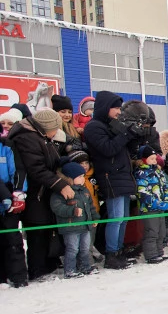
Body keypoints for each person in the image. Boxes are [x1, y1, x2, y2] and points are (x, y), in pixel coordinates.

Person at [8, 108, 76, 279]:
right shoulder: (26, 138)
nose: (56, 133)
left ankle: (46, 265)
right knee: (37, 230)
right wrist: (60, 184)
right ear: (46, 127)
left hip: (42, 191)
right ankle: (37, 270)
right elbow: (36, 169)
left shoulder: (40, 136)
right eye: (55, 129)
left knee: (45, 229)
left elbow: (48, 161)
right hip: (33, 193)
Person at [82, 91, 142, 269]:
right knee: (116, 218)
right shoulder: (94, 127)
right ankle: (111, 253)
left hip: (122, 175)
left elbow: (127, 150)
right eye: (115, 108)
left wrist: (134, 135)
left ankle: (119, 250)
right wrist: (125, 134)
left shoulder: (112, 126)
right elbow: (108, 149)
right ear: (105, 108)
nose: (118, 112)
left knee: (123, 218)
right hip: (110, 176)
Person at [50, 161, 99, 278]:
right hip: (71, 227)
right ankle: (70, 270)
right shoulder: (62, 192)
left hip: (85, 226)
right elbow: (57, 207)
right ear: (70, 178)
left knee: (85, 248)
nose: (83, 179)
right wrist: (72, 211)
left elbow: (91, 206)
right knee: (72, 249)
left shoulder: (84, 191)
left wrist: (95, 218)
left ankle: (85, 267)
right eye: (80, 176)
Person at [133, 146, 168, 264]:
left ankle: (159, 251)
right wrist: (155, 203)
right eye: (151, 159)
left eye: (155, 159)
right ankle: (151, 255)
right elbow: (142, 192)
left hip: (161, 207)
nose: (154, 161)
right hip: (149, 208)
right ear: (144, 159)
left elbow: (166, 187)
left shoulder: (158, 171)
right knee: (152, 231)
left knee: (161, 231)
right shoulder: (141, 173)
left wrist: (167, 200)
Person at [0, 124, 28, 287]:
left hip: (9, 201)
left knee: (13, 240)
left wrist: (19, 192)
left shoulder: (6, 146)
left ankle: (18, 276)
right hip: (3, 196)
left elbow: (18, 170)